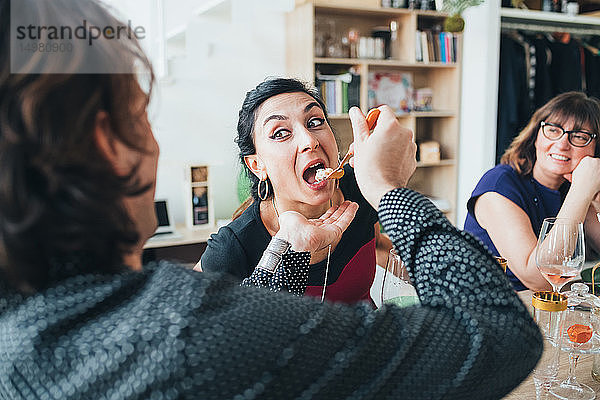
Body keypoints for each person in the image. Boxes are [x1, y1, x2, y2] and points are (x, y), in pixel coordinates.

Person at [0, 0, 542, 399]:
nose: (310, 139)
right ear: (107, 144)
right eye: (142, 114)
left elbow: (248, 342)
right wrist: (394, 192)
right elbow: (498, 337)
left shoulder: (19, 332)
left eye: (315, 122)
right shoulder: (192, 310)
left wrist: (301, 250)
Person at [197, 78, 393, 306]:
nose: (309, 141)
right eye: (280, 133)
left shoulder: (361, 184)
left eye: (315, 122)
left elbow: (379, 246)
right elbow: (198, 320)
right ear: (256, 165)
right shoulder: (234, 245)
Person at [464, 92, 600, 291]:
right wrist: (582, 191)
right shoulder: (498, 186)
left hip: (539, 309)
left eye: (579, 136)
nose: (562, 144)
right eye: (553, 130)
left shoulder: (571, 186)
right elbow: (540, 279)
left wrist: (596, 199)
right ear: (536, 136)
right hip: (487, 308)